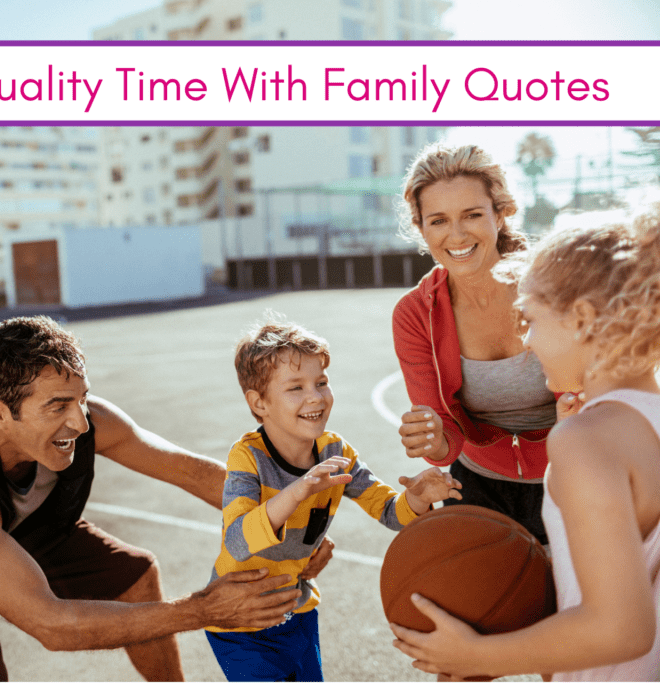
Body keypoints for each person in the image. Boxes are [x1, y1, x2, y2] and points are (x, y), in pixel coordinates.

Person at [0, 315, 316, 682]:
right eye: (57, 407)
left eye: (81, 399)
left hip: (20, 524)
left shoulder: (85, 418)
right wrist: (204, 610)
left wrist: (295, 532)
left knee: (134, 576)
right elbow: (50, 624)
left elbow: (187, 470)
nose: (80, 423)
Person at [390, 205, 660, 680]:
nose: (528, 342)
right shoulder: (640, 419)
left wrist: (476, 657)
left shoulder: (586, 441)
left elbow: (623, 630)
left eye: (531, 319)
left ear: (581, 318)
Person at [205, 316, 462, 681]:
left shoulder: (336, 452)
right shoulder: (248, 457)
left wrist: (417, 498)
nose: (315, 396)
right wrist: (299, 490)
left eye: (321, 382)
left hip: (297, 610)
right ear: (259, 403)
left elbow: (391, 512)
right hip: (238, 620)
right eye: (296, 387)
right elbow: (236, 539)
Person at [393, 143, 570, 547]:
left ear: (501, 213)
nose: (456, 235)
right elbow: (443, 443)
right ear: (421, 227)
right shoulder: (414, 314)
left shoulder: (555, 287)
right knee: (479, 605)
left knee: (579, 604)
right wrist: (435, 439)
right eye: (438, 221)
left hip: (570, 469)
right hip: (478, 482)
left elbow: (600, 396)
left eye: (472, 215)